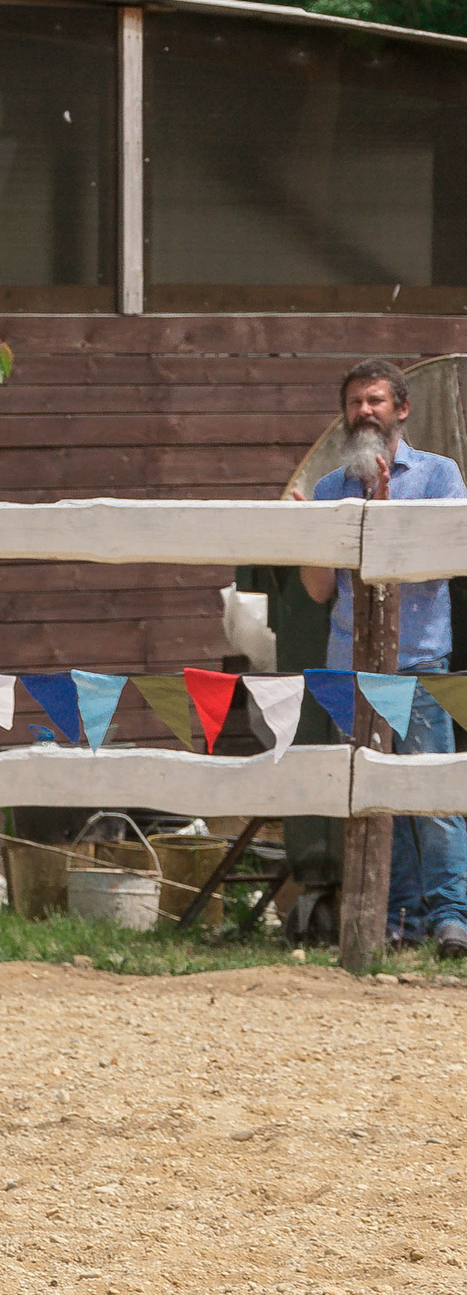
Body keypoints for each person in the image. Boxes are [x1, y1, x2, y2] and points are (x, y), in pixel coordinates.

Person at [294, 358, 467, 958]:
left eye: (375, 400)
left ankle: (451, 921)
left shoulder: (440, 476)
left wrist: (387, 510)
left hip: (419, 661)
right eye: (354, 402)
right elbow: (318, 590)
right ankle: (398, 921)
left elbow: (444, 567)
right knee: (371, 797)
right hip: (349, 663)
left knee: (434, 798)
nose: (364, 411)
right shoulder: (329, 487)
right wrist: (305, 531)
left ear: (402, 409)